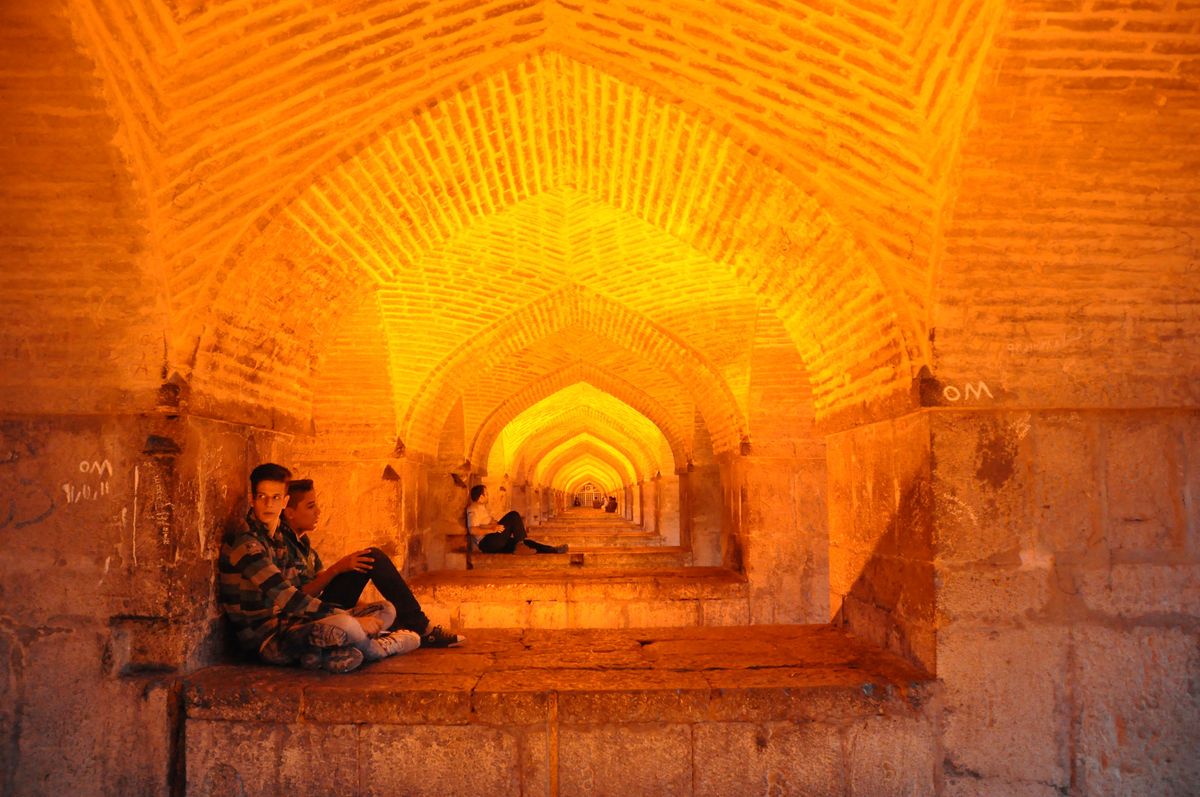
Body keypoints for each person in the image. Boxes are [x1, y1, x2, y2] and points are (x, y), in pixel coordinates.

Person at [218, 463, 418, 674]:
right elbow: (288, 598)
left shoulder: (276, 537)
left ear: (285, 502)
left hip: (291, 623)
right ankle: (380, 648)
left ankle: (328, 654)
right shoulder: (246, 544)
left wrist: (354, 613)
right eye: (262, 497)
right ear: (252, 499)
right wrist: (351, 619)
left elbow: (299, 589)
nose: (268, 504)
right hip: (266, 640)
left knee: (385, 609)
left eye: (276, 497)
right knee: (347, 625)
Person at [282, 478, 463, 648]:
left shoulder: (303, 543)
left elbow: (323, 580)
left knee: (385, 606)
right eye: (311, 507)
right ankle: (422, 628)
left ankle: (408, 627)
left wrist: (362, 608)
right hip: (303, 617)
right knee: (373, 557)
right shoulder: (282, 546)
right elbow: (293, 599)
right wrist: (338, 568)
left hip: (324, 607)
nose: (318, 512)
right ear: (290, 513)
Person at [466, 484, 567, 554]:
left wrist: (493, 525)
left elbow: (485, 523)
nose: (488, 496)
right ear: (481, 497)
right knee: (513, 515)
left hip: (494, 541)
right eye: (486, 494)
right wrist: (492, 529)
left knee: (527, 543)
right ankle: (520, 544)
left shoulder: (482, 508)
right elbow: (472, 530)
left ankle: (553, 550)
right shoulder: (473, 509)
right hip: (487, 543)